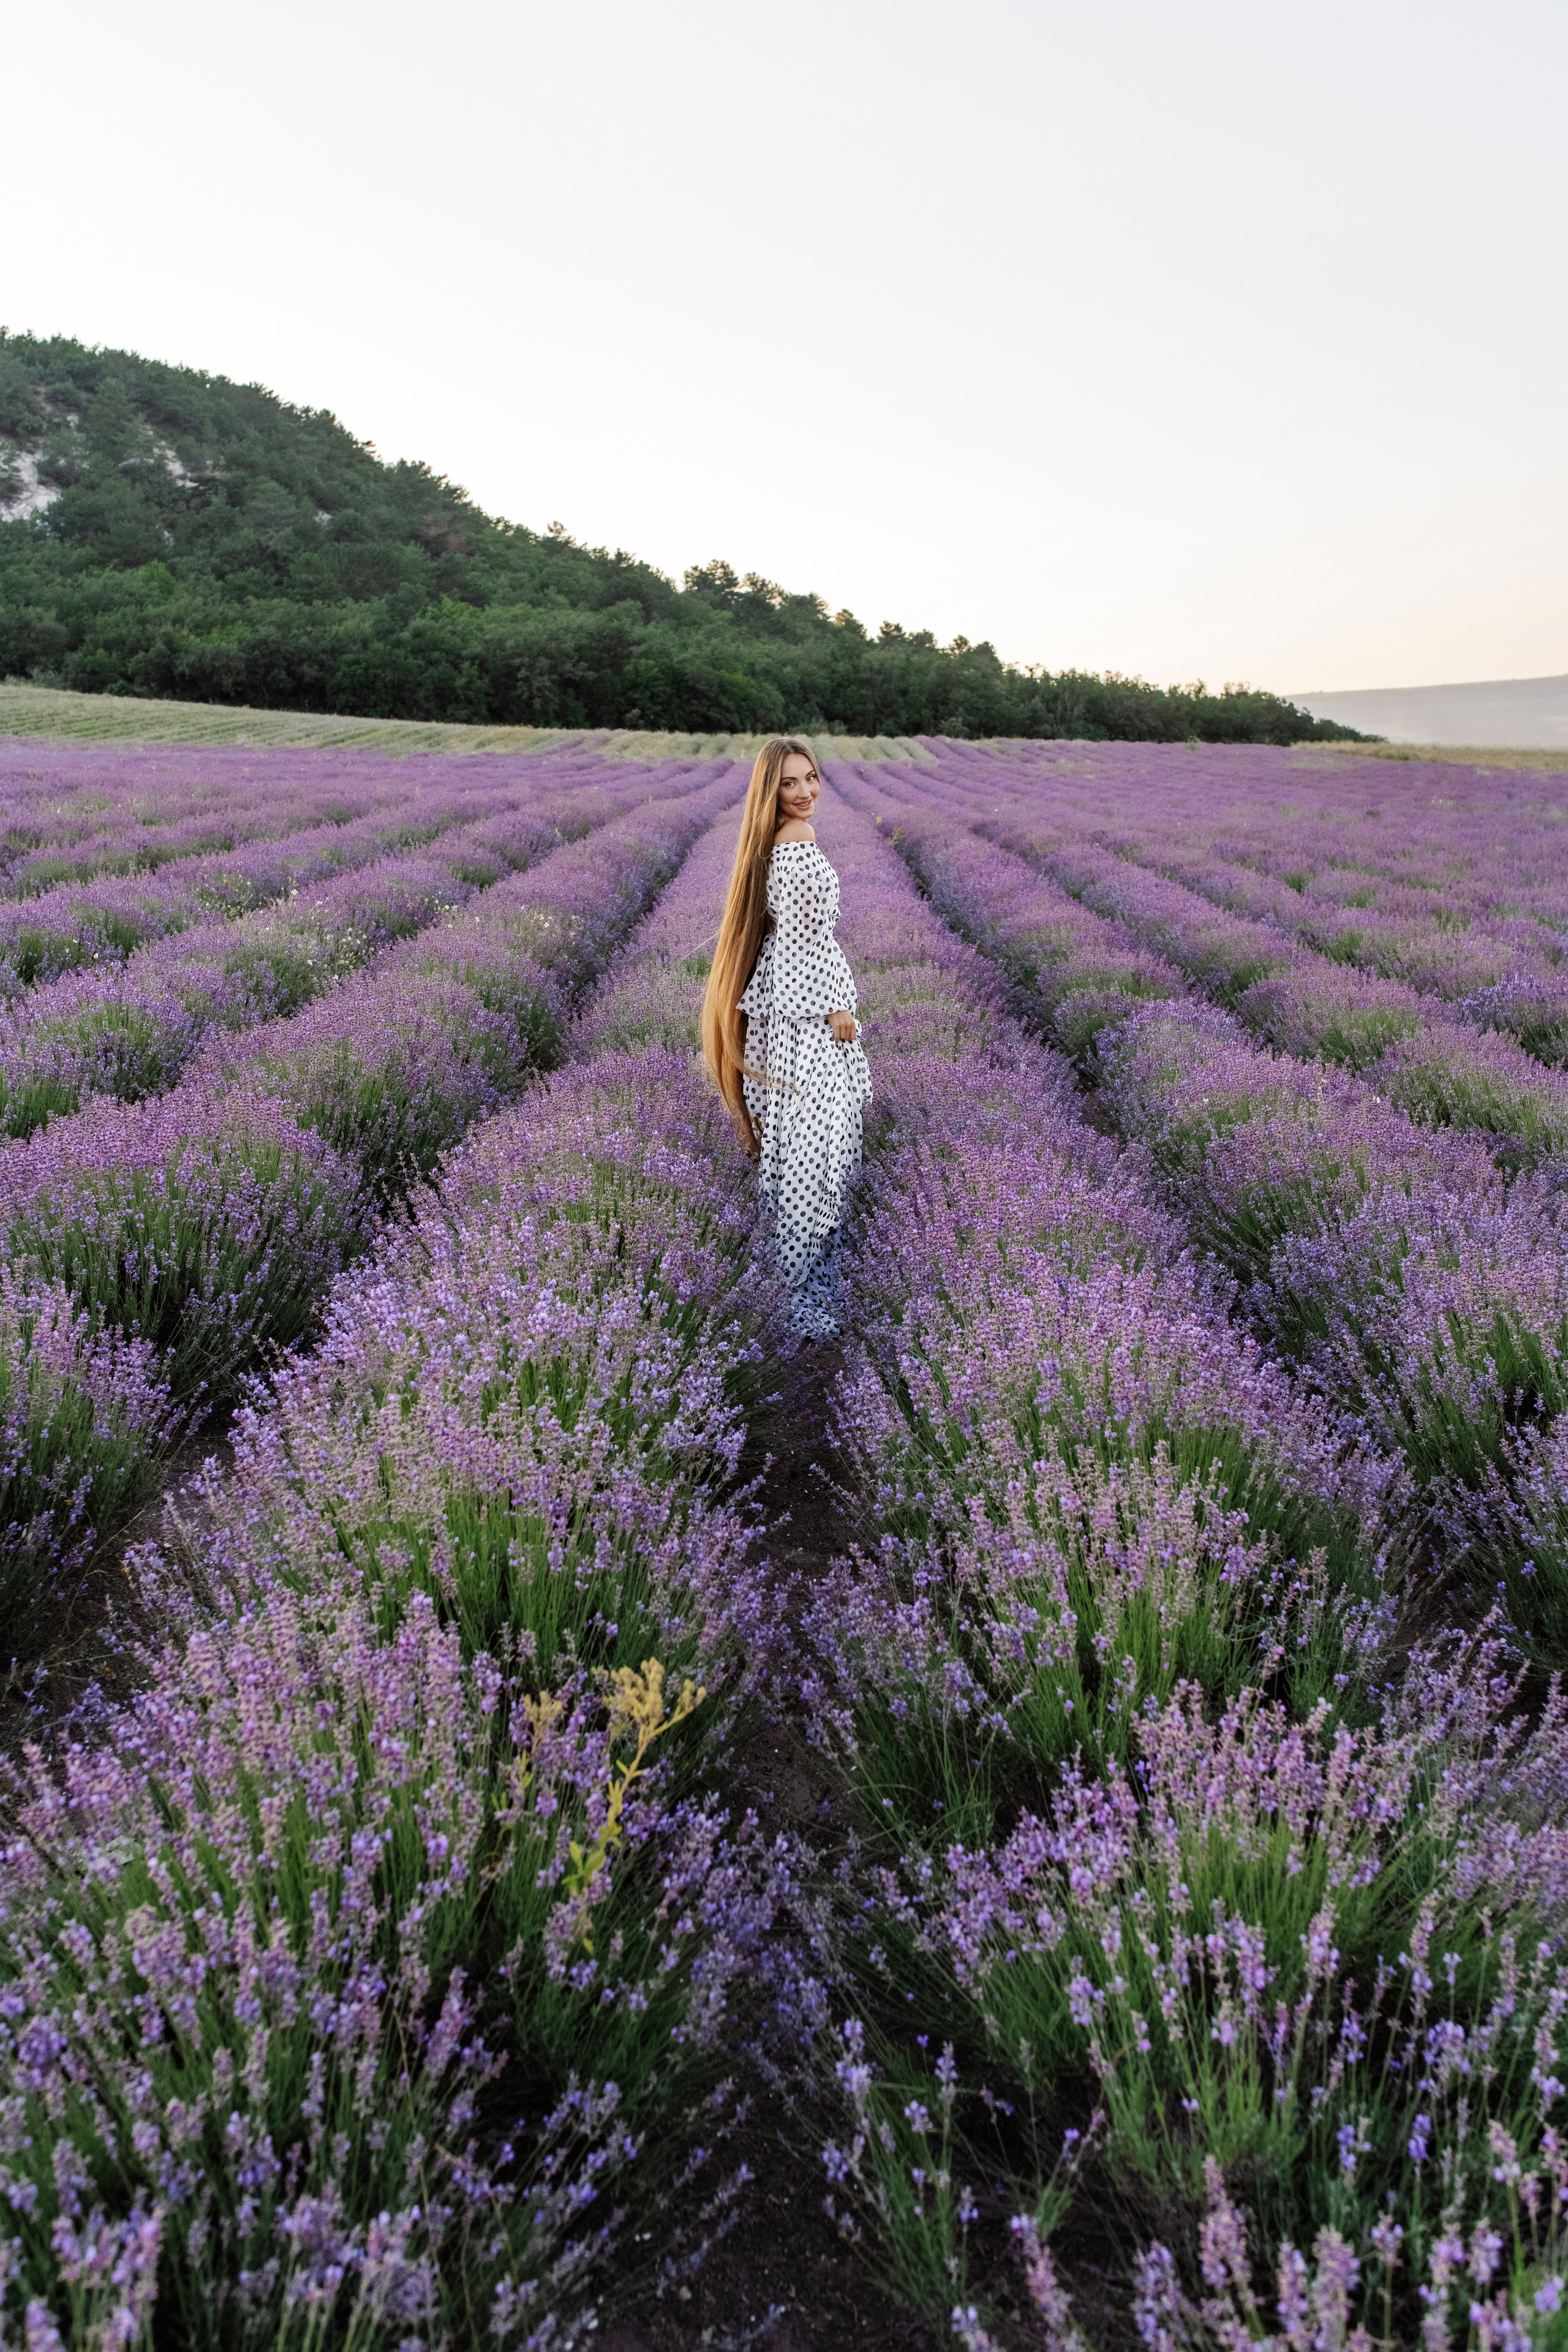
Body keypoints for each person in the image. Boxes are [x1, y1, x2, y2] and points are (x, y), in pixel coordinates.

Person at [701, 737, 872, 1336]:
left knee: (796, 1144)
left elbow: (787, 940)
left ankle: (789, 1282)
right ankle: (802, 1291)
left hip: (782, 1019)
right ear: (769, 792)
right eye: (789, 783)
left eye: (811, 778)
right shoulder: (796, 845)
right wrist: (836, 1008)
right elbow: (805, 943)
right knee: (816, 1151)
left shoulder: (771, 844)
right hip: (807, 1022)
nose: (804, 793)